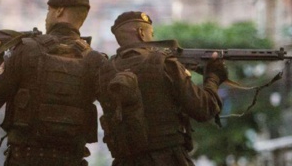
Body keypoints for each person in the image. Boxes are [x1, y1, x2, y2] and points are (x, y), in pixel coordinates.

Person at [0, 0, 107, 166]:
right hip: (72, 160)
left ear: (59, 11)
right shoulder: (95, 61)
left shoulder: (26, 50)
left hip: (26, 159)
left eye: (48, 11)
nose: (46, 17)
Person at [97, 11, 228, 166]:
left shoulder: (104, 72)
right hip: (168, 159)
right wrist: (213, 76)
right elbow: (204, 109)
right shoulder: (164, 64)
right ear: (141, 33)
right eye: (151, 33)